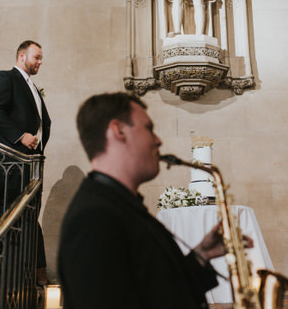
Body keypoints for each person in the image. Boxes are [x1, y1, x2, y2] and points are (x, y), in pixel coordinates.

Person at [59, 93, 244, 309]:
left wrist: (202, 254)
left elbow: (156, 289)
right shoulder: (94, 218)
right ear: (118, 131)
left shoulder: (120, 205)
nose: (158, 140)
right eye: (149, 128)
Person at [0, 40, 51, 286]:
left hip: (29, 163)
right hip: (10, 161)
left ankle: (32, 270)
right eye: (37, 57)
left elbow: (43, 123)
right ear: (22, 56)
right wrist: (21, 136)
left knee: (25, 214)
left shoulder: (32, 87)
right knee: (8, 213)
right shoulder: (6, 77)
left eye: (41, 58)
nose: (40, 62)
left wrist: (38, 147)